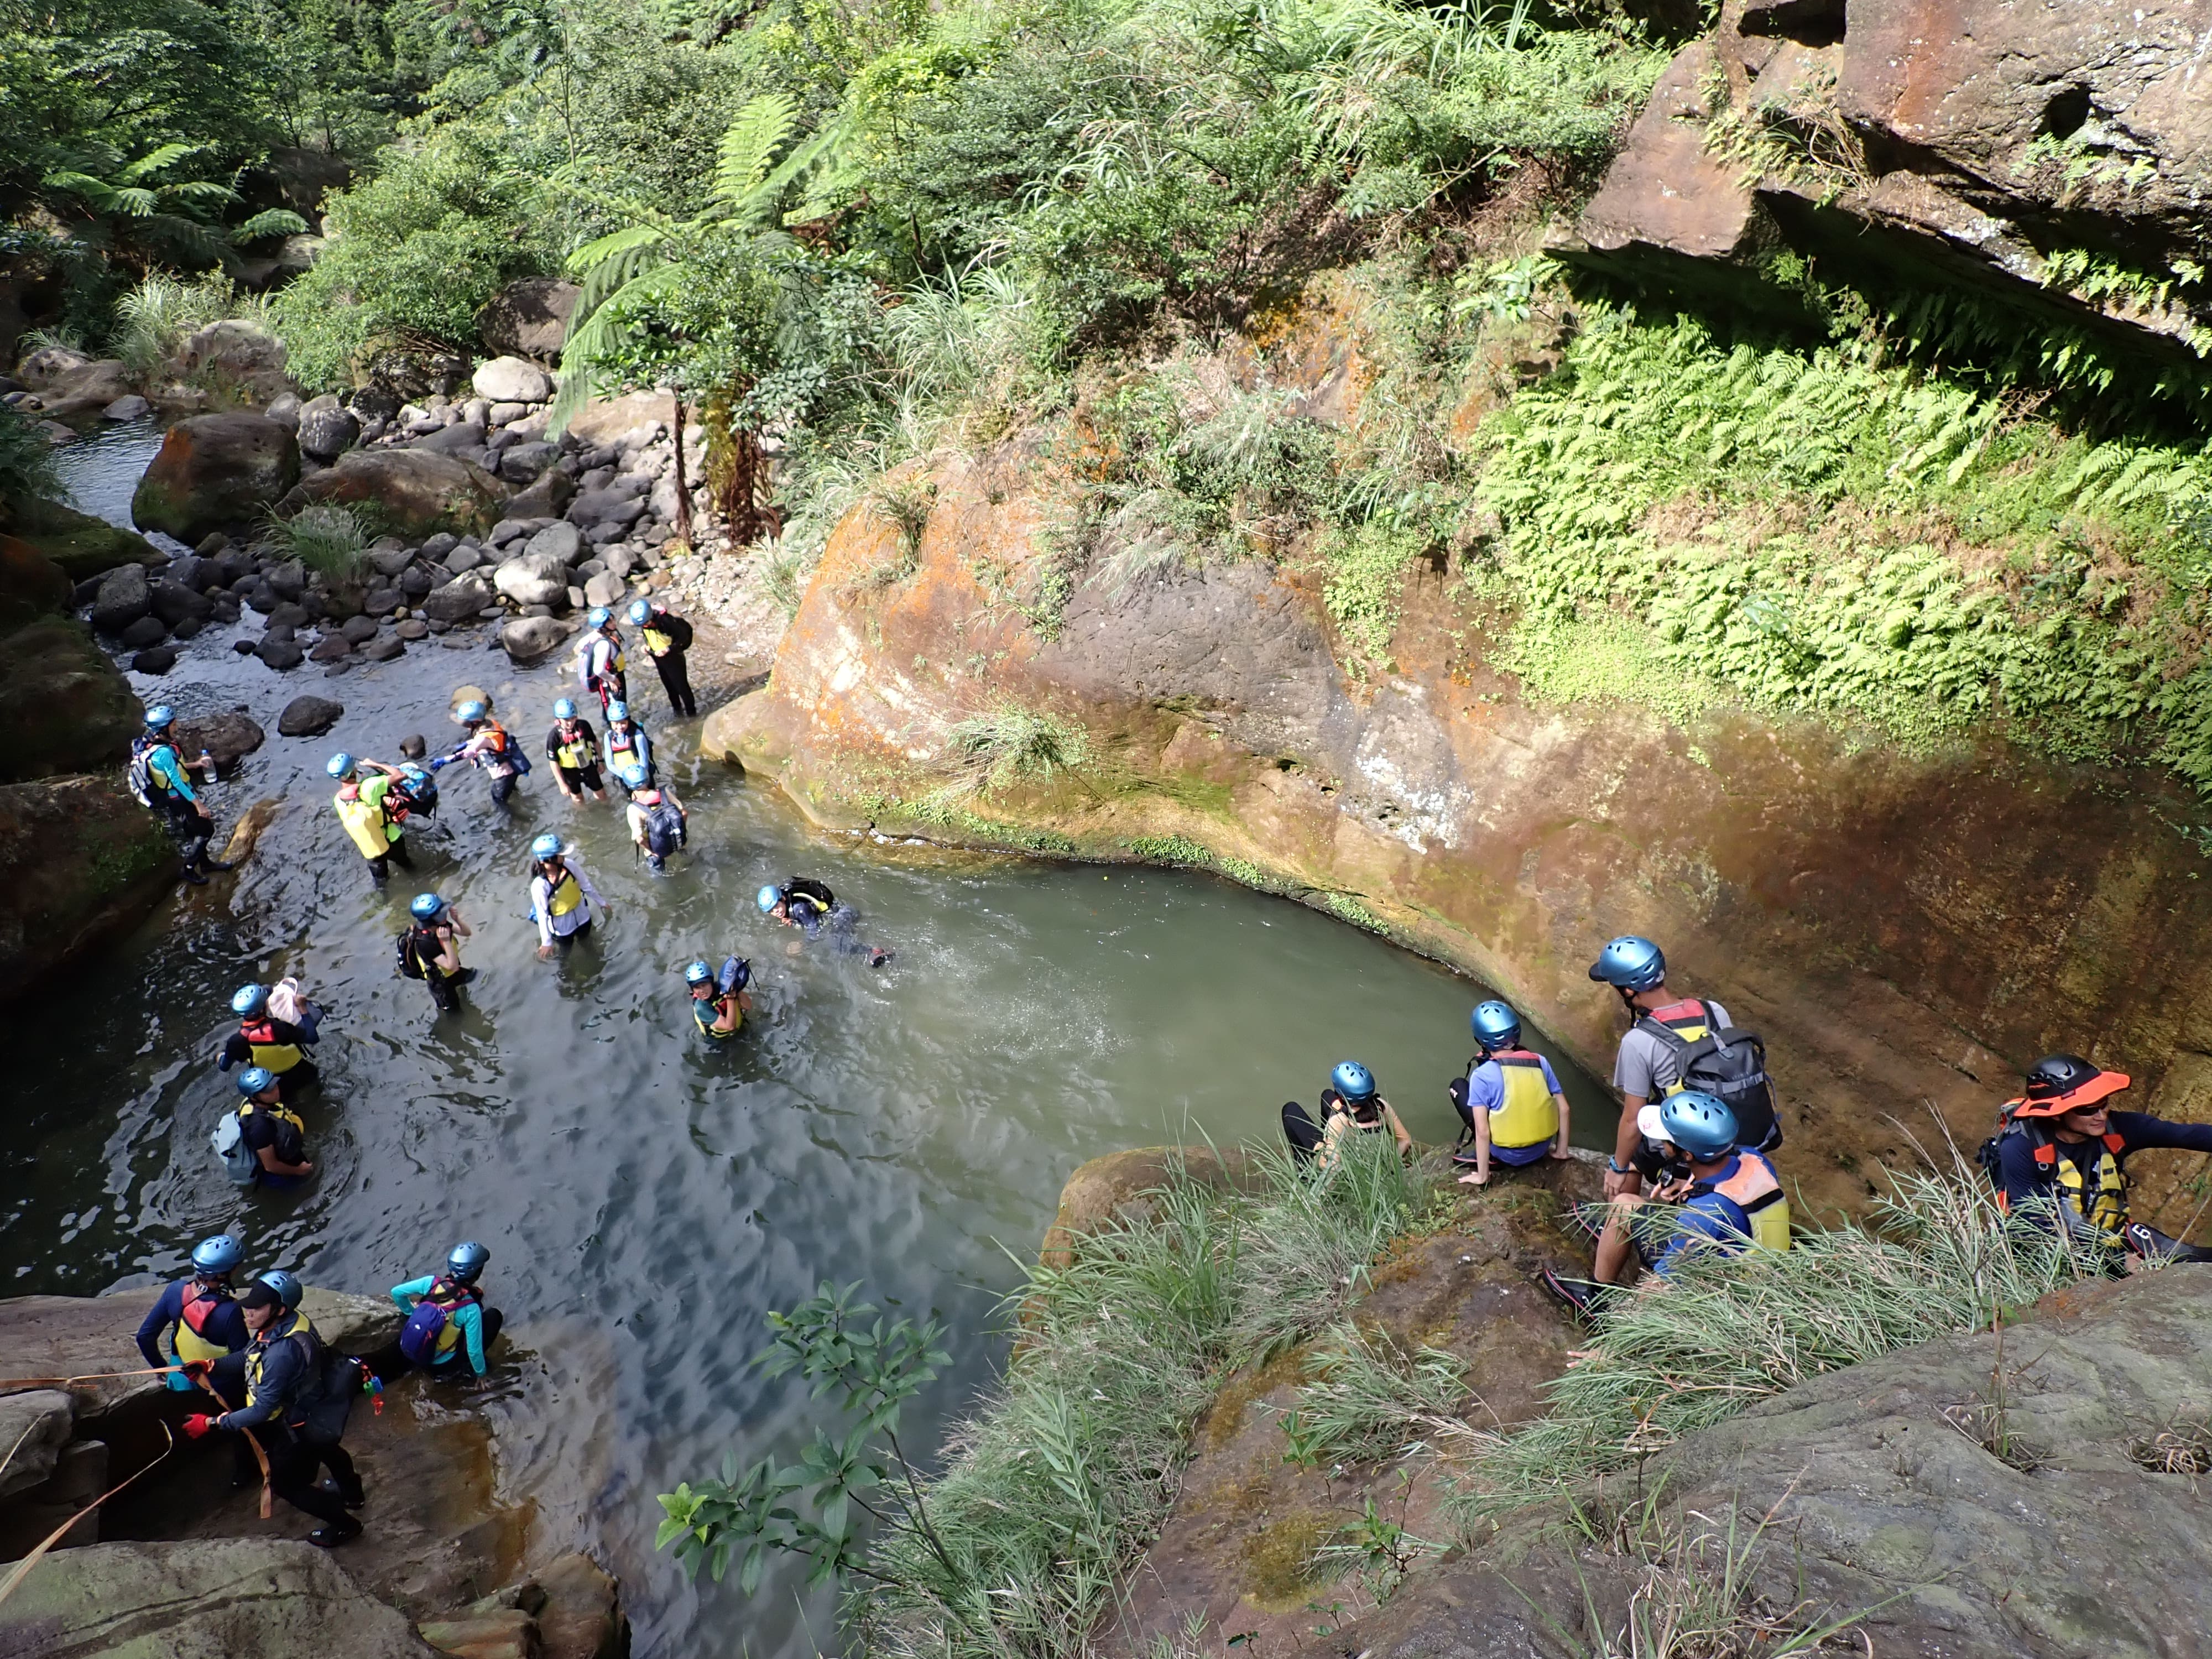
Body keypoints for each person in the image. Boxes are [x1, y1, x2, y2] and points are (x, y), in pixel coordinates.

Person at [1543, 1091, 1790, 1319]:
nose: (1662, 1143)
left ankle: (1595, 1301)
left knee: (1622, 1207)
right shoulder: (1753, 1158)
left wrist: (1610, 1346)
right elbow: (1727, 1183)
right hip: (1757, 1270)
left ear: (1687, 1155)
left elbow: (1659, 1287)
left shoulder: (1702, 1218)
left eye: (1666, 1139)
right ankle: (1612, 1242)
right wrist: (1688, 1182)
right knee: (1628, 1205)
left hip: (1726, 1296)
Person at [1587, 935, 1776, 1200]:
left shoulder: (1638, 1041)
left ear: (1629, 991)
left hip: (1687, 1145)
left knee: (1631, 1160)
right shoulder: (1714, 1011)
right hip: (1731, 1128)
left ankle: (1620, 1225)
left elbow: (1632, 1119)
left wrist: (1616, 1167)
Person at [182, 1272, 364, 1547]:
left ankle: (346, 1526)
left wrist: (211, 1423)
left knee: (287, 1485)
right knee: (328, 1449)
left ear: (279, 1309)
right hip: (312, 1407)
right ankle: (353, 1495)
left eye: (257, 1307)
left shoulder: (281, 1354)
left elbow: (262, 1411)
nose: (248, 1312)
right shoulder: (287, 1323)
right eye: (249, 1304)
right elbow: (250, 1354)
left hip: (294, 1424)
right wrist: (212, 1365)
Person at [1987, 1054, 2212, 1265]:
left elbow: (2188, 1135)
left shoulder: (2118, 1128)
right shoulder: (2020, 1147)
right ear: (2056, 1114)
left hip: (2113, 1242)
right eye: (2087, 1110)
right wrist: (2117, 1261)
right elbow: (2036, 1226)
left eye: (2103, 1103)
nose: (2101, 1115)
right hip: (2055, 1258)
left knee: (2152, 1242)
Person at [1450, 1000, 1573, 1187]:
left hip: (1507, 1155)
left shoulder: (1482, 1075)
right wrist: (1561, 1152)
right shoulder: (1540, 1061)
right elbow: (1564, 1109)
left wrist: (1482, 1177)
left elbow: (1483, 1132)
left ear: (1481, 1039)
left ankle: (1489, 1159)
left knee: (1458, 1086)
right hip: (1541, 1150)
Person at [126, 705, 232, 885]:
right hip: (178, 797)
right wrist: (199, 804)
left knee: (194, 831)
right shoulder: (164, 752)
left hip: (177, 796)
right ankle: (188, 869)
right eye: (174, 724)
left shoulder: (155, 743)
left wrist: (197, 764)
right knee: (206, 830)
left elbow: (173, 769)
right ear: (164, 728)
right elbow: (176, 781)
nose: (177, 726)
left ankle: (205, 864)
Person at [135, 1234, 249, 1390]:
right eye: (237, 1266)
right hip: (218, 1385)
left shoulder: (175, 1290)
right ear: (222, 1274)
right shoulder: (230, 1311)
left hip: (182, 1377)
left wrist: (162, 1368)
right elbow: (245, 1358)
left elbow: (144, 1337)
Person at [386, 1241, 502, 1380]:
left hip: (417, 1355)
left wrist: (411, 1313)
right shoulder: (471, 1307)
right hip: (442, 1367)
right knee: (494, 1316)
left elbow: (396, 1293)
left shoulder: (431, 1282)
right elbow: (474, 1351)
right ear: (477, 1274)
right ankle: (463, 1370)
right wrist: (481, 1374)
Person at [1282, 1061, 1413, 1170]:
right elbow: (1406, 1141)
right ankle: (1327, 1138)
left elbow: (1332, 1166)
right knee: (1327, 1095)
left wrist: (1320, 1196)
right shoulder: (1382, 1106)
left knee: (1290, 1110)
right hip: (1370, 1159)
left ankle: (1304, 1171)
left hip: (1339, 1165)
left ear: (1341, 1094)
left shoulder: (1339, 1121)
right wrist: (1391, 1163)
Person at [217, 983, 319, 1099]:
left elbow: (224, 1067)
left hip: (274, 1085)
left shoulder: (236, 1041)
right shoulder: (280, 1028)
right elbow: (312, 1038)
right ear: (262, 1008)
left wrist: (221, 1056)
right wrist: (302, 1008)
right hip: (304, 1073)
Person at [218, 1067, 315, 1188]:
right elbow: (271, 1165)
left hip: (286, 1154)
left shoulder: (256, 1103)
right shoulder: (259, 1127)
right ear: (254, 1097)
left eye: (274, 1085)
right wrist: (299, 1170)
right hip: (282, 1175)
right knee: (309, 1189)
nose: (276, 1090)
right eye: (268, 1090)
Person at [757, 879, 892, 966]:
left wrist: (802, 944)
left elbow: (815, 933)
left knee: (835, 945)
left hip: (845, 913)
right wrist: (789, 917)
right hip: (840, 910)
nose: (776, 912)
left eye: (777, 907)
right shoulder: (785, 894)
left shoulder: (800, 909)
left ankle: (874, 952)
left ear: (783, 899)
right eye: (772, 911)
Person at [327, 752, 414, 885]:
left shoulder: (338, 800)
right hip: (392, 839)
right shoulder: (370, 786)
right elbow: (401, 775)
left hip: (371, 848)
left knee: (381, 884)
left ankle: (384, 903)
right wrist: (374, 764)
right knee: (409, 867)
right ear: (353, 771)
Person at [529, 833, 608, 958]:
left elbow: (586, 886)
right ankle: (566, 974)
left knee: (588, 944)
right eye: (561, 855)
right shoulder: (540, 885)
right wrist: (547, 942)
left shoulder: (570, 865)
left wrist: (602, 902)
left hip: (583, 917)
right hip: (562, 927)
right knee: (565, 953)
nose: (564, 857)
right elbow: (542, 913)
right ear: (549, 860)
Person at [436, 702, 527, 806]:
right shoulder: (491, 724)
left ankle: (514, 820)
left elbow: (466, 754)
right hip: (512, 769)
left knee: (499, 802)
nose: (465, 726)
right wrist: (467, 743)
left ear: (475, 722)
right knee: (512, 791)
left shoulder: (483, 738)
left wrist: (443, 761)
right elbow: (487, 742)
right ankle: (521, 801)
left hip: (502, 776)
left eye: (466, 723)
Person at [398, 893, 475, 1014]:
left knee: (473, 977)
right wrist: (446, 942)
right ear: (431, 920)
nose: (445, 916)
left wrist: (457, 919)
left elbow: (467, 933)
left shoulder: (441, 926)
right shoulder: (424, 943)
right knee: (455, 1013)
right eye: (441, 915)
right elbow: (452, 967)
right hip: (441, 983)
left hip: (452, 972)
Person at [629, 597, 697, 718]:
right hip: (658, 658)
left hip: (673, 657)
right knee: (669, 687)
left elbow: (683, 637)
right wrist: (647, 646)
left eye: (645, 623)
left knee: (681, 687)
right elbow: (648, 636)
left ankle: (692, 714)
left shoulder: (665, 621)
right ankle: (678, 712)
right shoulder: (645, 623)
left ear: (650, 617)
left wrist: (668, 649)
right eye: (641, 625)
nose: (643, 626)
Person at [544, 698, 606, 804]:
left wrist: (600, 761)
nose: (570, 723)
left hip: (588, 767)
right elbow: (553, 762)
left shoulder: (584, 726)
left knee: (601, 794)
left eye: (573, 718)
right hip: (569, 773)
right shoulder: (554, 736)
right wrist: (562, 784)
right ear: (559, 719)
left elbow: (595, 742)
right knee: (578, 799)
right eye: (566, 720)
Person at [625, 770, 687, 872]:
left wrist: (653, 852)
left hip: (656, 849)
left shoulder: (634, 809)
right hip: (678, 839)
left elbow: (640, 839)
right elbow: (684, 813)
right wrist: (680, 829)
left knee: (659, 876)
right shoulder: (664, 793)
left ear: (629, 785)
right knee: (687, 863)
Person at [685, 957, 752, 1041]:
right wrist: (730, 998)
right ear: (692, 989)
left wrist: (736, 989)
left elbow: (748, 1006)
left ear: (711, 982)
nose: (702, 991)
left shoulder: (722, 987)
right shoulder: (701, 1008)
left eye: (704, 985)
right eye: (697, 987)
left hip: (740, 1027)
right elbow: (730, 1027)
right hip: (719, 1041)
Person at [577, 608, 627, 716]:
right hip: (612, 681)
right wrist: (612, 679)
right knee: (617, 711)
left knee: (611, 708)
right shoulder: (604, 644)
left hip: (610, 678)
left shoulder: (594, 636)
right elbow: (599, 670)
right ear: (602, 627)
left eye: (612, 619)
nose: (614, 623)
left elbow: (581, 646)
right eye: (610, 622)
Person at [602, 702, 652, 794]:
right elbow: (610, 763)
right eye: (616, 724)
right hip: (623, 777)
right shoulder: (608, 737)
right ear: (610, 722)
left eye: (623, 723)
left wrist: (638, 780)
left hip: (642, 777)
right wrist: (625, 777)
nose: (620, 727)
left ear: (628, 720)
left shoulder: (637, 735)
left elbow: (644, 762)